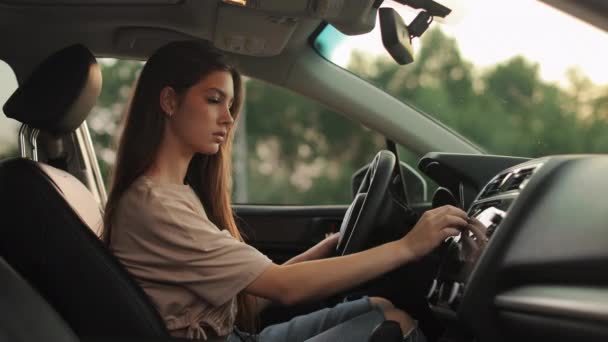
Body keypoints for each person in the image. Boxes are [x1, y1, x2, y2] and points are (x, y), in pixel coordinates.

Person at [102, 40, 470, 342]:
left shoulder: (175, 194)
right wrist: (409, 246)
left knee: (380, 307)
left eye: (229, 105)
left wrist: (322, 251)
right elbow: (283, 288)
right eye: (214, 100)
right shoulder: (156, 205)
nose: (228, 119)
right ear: (169, 102)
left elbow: (247, 295)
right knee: (394, 328)